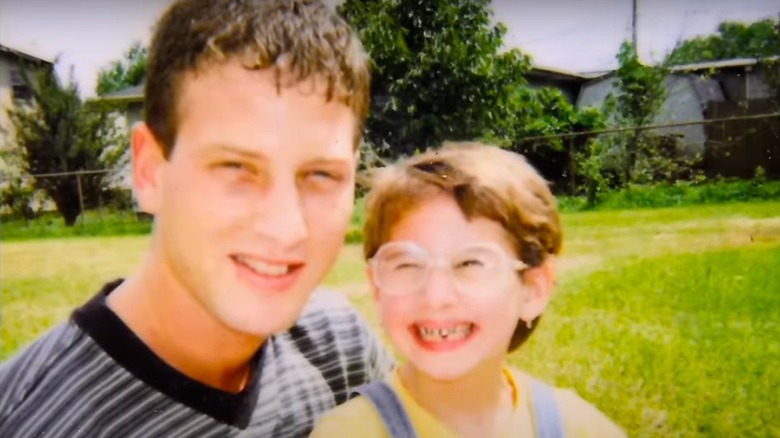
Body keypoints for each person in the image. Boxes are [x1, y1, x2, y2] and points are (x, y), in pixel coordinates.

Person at [0, 0, 395, 436]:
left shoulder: (341, 351)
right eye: (235, 168)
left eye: (321, 174)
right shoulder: (32, 420)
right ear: (149, 170)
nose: (286, 227)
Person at [309, 141, 626, 438]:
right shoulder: (347, 431)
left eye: (471, 264)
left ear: (532, 289)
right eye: (407, 265)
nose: (436, 298)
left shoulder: (576, 426)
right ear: (378, 287)